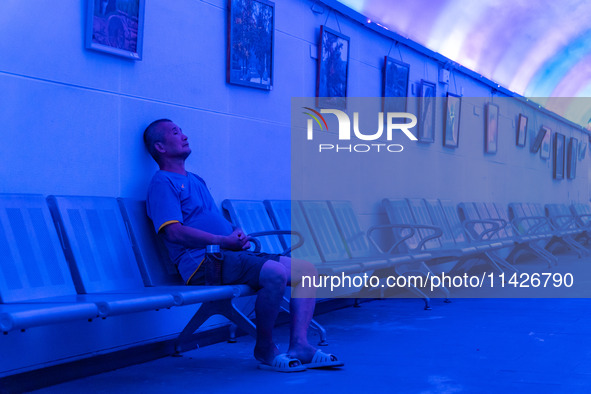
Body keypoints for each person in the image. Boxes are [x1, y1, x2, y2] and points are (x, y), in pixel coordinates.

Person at [143, 119, 342, 372]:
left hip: (225, 255)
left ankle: (300, 345)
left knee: (307, 271)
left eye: (182, 130)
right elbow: (173, 232)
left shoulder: (196, 180)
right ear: (159, 147)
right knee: (275, 273)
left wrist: (234, 233)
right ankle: (266, 348)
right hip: (202, 263)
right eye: (175, 132)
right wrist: (222, 240)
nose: (183, 135)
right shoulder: (163, 183)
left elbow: (208, 219)